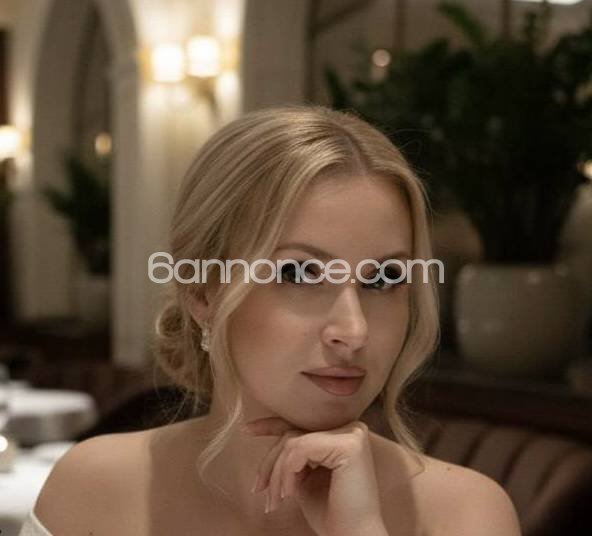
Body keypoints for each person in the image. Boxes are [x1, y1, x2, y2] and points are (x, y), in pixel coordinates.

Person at [22, 105, 521, 535]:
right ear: (202, 291)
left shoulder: (466, 515)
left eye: (384, 278)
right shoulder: (93, 489)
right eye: (299, 273)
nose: (354, 331)